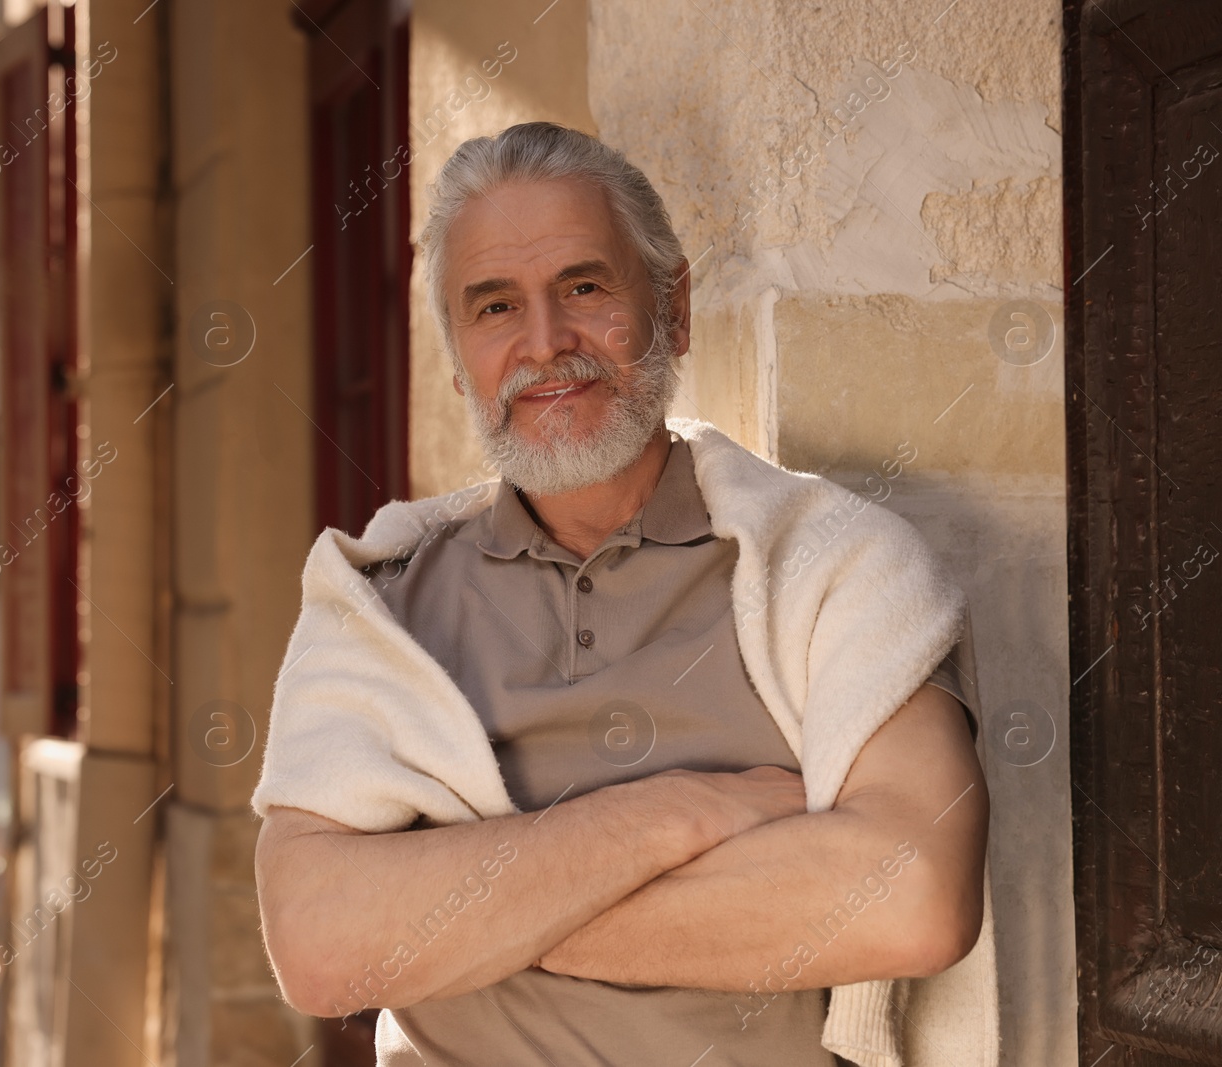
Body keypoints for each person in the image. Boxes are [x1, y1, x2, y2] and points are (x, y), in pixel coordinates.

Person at [253, 122, 989, 1066]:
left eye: (585, 288)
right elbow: (319, 949)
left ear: (672, 309)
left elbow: (917, 893)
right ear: (456, 356)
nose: (547, 344)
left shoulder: (834, 564)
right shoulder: (378, 602)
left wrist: (465, 915)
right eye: (494, 308)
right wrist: (676, 815)